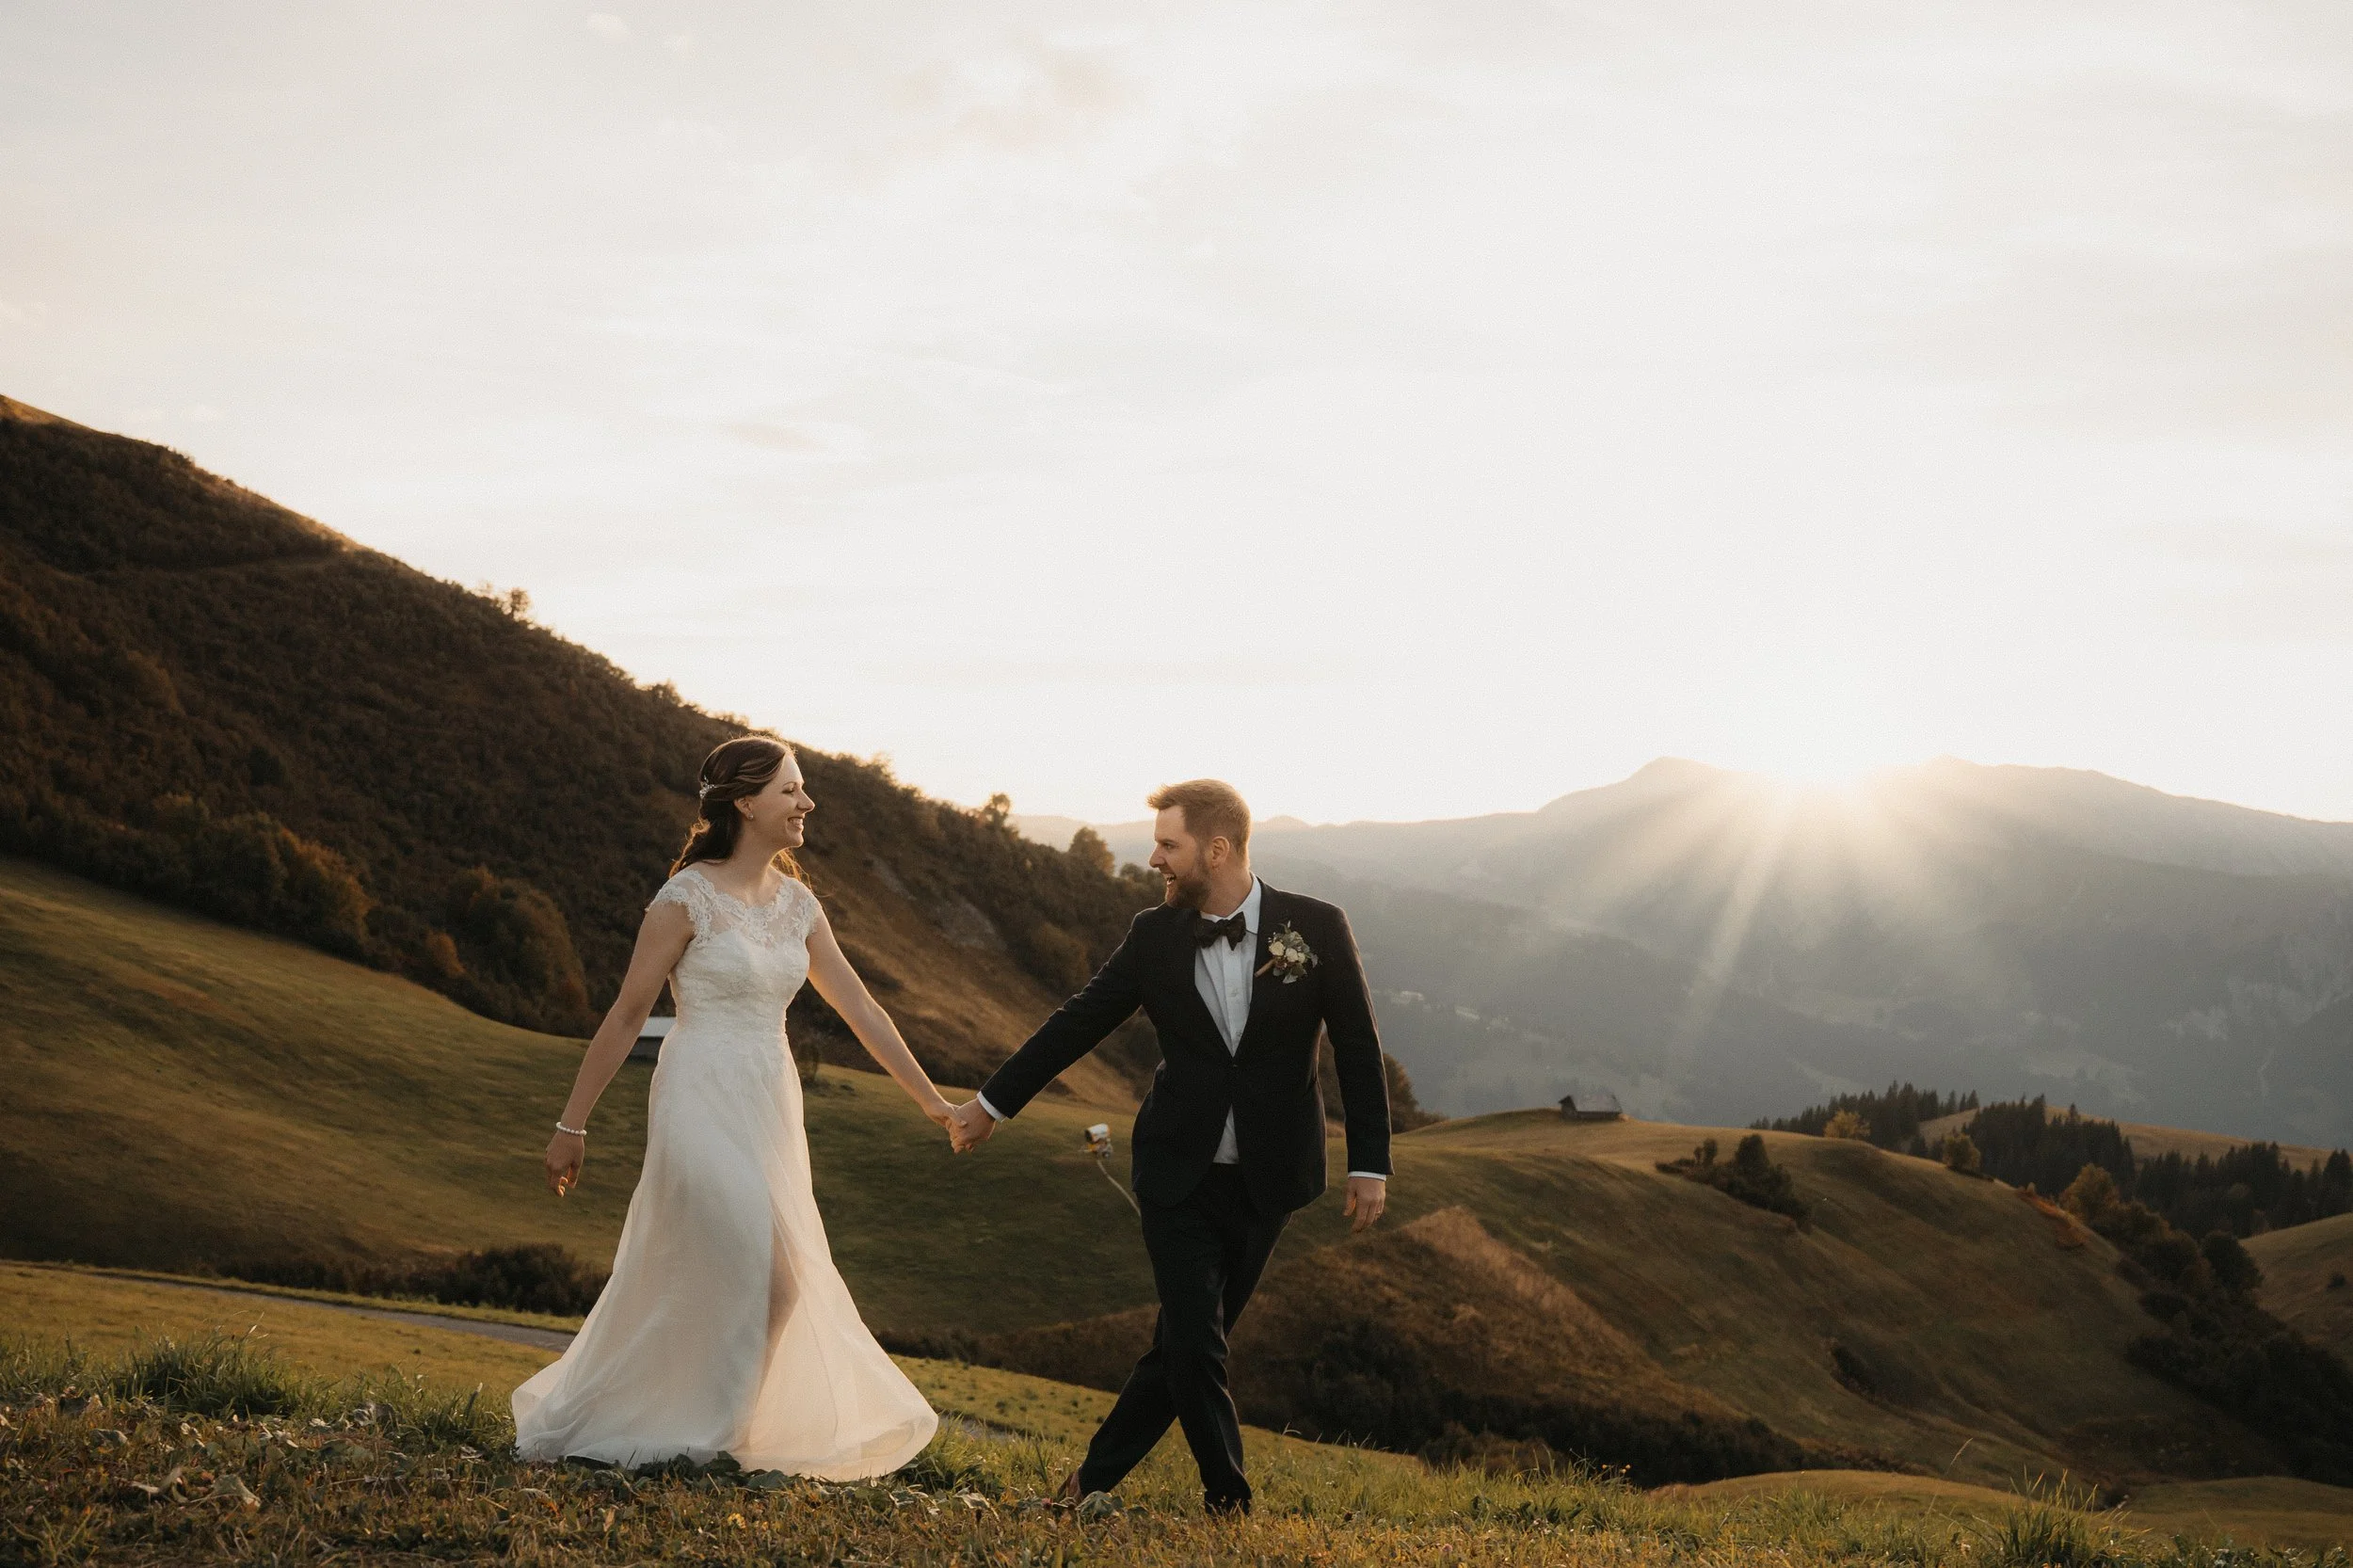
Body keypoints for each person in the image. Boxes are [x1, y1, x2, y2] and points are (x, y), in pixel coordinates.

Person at [946, 778, 1392, 1514]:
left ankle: (1086, 1488)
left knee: (1180, 1351)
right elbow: (1079, 1020)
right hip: (1175, 1171)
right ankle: (1229, 1502)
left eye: (1167, 844)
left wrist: (1369, 1162)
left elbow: (1358, 1047)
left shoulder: (1315, 926)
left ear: (1216, 850)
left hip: (1269, 1178)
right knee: (1196, 1343)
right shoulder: (1153, 935)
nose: (1154, 857)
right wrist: (992, 1103)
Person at [513, 736, 950, 1478]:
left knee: (773, 1280)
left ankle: (726, 1427)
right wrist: (571, 1124)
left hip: (769, 1100)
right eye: (791, 791)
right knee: (754, 1256)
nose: (806, 803)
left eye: (803, 789)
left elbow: (862, 1008)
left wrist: (935, 1103)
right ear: (746, 803)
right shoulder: (684, 898)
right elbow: (625, 1016)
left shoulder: (800, 905)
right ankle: (693, 1430)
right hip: (695, 1094)